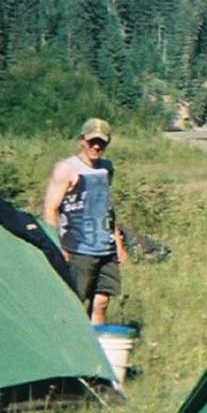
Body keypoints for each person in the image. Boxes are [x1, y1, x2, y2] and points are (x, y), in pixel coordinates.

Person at [44, 118, 125, 325]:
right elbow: (50, 209)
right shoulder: (66, 169)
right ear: (82, 140)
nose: (96, 146)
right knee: (74, 300)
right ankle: (68, 342)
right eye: (92, 141)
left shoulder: (107, 168)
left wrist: (117, 241)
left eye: (102, 142)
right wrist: (56, 245)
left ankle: (96, 348)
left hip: (105, 247)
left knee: (102, 302)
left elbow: (106, 206)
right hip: (78, 247)